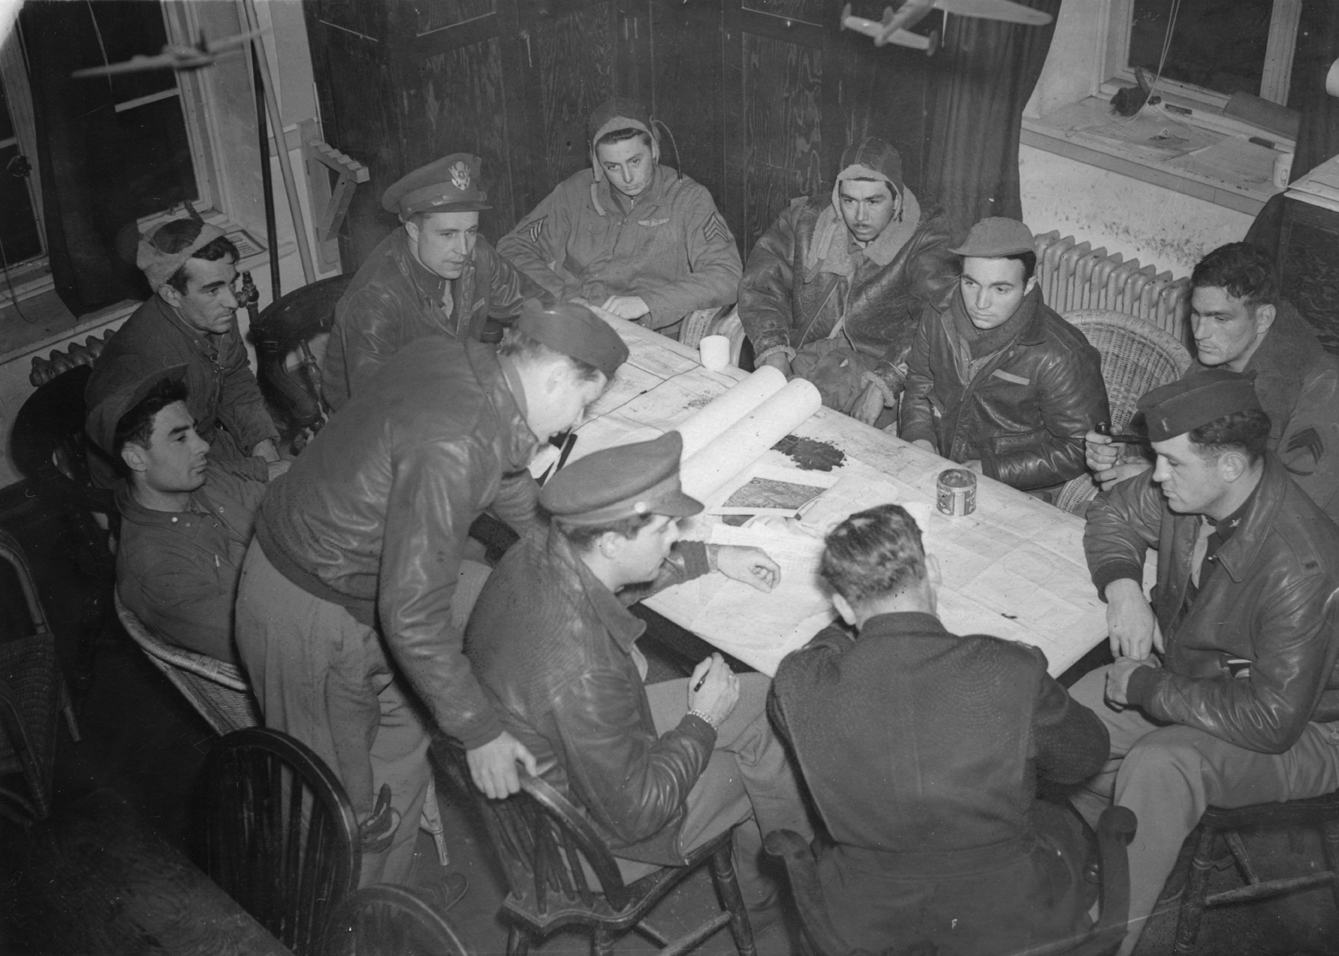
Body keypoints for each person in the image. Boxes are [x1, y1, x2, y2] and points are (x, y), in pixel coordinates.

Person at [235, 301, 629, 887]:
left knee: (400, 748)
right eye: (582, 402)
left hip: (356, 590)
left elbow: (509, 475)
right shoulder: (458, 442)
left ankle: (380, 909)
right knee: (337, 807)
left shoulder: (461, 360)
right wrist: (481, 732)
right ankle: (335, 926)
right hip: (304, 605)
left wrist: (560, 545)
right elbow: (415, 616)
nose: (574, 421)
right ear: (552, 378)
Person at [466, 431, 812, 933]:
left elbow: (611, 586)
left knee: (765, 698)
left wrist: (712, 557)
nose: (675, 536)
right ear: (609, 541)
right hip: (589, 835)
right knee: (771, 754)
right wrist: (701, 720)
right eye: (665, 530)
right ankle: (778, 904)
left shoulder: (542, 549)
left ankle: (774, 872)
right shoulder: (583, 670)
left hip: (560, 763)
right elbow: (639, 812)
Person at [1076, 368, 1339, 956]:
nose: (1157, 475)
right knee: (1059, 719)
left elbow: (1273, 721)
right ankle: (1120, 854)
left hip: (1311, 728)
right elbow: (1113, 515)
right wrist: (1123, 588)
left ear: (1228, 465)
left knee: (1161, 766)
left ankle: (1106, 939)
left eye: (1171, 461)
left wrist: (1146, 686)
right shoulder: (1195, 491)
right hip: (1203, 682)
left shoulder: (1302, 566)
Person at [769, 503, 1109, 955]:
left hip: (864, 925)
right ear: (932, 569)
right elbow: (1085, 756)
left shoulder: (798, 681)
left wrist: (839, 635)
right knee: (1059, 826)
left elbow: (800, 688)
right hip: (1007, 921)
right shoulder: (1007, 667)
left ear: (842, 607)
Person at [1086, 242, 1339, 520]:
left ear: (1264, 318)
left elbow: (1289, 514)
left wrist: (1150, 482)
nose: (1200, 332)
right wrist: (1125, 446)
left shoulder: (1325, 390)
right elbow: (1175, 433)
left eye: (1220, 318)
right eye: (1196, 313)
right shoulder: (1221, 353)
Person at [737, 136, 956, 425]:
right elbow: (762, 286)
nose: (860, 216)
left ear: (897, 199)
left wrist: (884, 382)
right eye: (849, 200)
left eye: (874, 201)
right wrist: (774, 351)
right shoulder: (806, 219)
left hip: (876, 362)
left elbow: (934, 317)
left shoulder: (927, 235)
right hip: (805, 351)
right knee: (753, 413)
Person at [899, 216, 1108, 495]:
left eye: (1000, 289)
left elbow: (1079, 448)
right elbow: (920, 381)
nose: (981, 303)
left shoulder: (1062, 355)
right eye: (970, 283)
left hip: (1017, 488)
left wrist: (993, 470)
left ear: (1029, 285)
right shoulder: (938, 311)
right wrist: (920, 440)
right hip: (938, 460)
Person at [497, 98, 741, 337]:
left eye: (635, 161)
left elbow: (727, 274)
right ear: (597, 163)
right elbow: (512, 248)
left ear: (654, 149)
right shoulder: (573, 193)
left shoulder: (689, 199)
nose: (627, 177)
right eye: (612, 166)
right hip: (580, 324)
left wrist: (647, 303)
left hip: (658, 335)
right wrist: (567, 297)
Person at [322, 153, 543, 410]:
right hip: (374, 425)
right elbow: (379, 411)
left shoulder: (478, 255)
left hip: (452, 385)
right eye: (447, 234)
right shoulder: (376, 300)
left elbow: (539, 307)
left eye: (470, 231)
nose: (463, 249)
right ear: (413, 231)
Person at [86, 362, 266, 666]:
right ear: (135, 459)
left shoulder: (191, 482)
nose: (204, 445)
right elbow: (270, 641)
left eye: (195, 431)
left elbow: (277, 501)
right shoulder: (159, 573)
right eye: (180, 438)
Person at [87, 218, 282, 487]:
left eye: (231, 284)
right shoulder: (144, 363)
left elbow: (235, 379)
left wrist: (264, 450)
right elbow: (164, 467)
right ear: (171, 294)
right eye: (212, 290)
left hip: (201, 443)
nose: (233, 301)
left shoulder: (212, 314)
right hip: (148, 481)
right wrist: (259, 471)